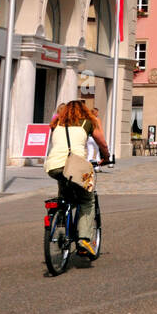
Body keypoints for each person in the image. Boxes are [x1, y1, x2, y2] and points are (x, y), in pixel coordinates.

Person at [46, 100, 110, 256]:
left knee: (65, 187)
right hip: (77, 166)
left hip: (53, 166)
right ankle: (83, 241)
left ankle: (61, 215)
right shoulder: (87, 122)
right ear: (84, 111)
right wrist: (106, 157)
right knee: (87, 200)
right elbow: (102, 144)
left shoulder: (57, 123)